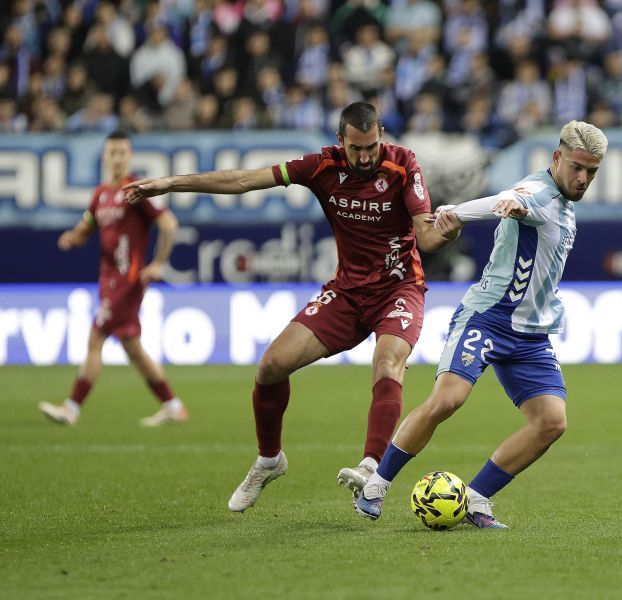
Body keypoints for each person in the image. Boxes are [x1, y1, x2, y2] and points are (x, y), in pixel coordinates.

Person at [123, 102, 459, 511]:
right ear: (340, 140)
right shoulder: (320, 166)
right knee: (270, 367)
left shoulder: (403, 164)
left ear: (381, 136)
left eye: (371, 147)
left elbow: (426, 237)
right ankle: (269, 460)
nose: (364, 157)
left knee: (388, 362)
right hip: (347, 294)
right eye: (356, 148)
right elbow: (244, 180)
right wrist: (171, 184)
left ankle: (371, 468)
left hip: (399, 289)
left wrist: (448, 232)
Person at [354, 120, 608, 528]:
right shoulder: (538, 191)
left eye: (591, 171)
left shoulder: (564, 204)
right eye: (576, 167)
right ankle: (375, 485)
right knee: (447, 400)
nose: (582, 178)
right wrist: (455, 213)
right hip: (488, 318)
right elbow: (510, 199)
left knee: (551, 421)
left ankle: (476, 499)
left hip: (531, 334)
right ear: (556, 158)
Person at [39, 130, 185, 427]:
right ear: (105, 157)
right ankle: (172, 405)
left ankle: (71, 407)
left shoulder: (137, 191)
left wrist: (157, 264)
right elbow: (87, 227)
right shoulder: (100, 194)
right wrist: (72, 238)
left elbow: (169, 224)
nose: (117, 158)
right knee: (132, 346)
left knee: (96, 337)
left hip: (127, 280)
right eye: (112, 153)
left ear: (130, 156)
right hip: (108, 279)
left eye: (122, 153)